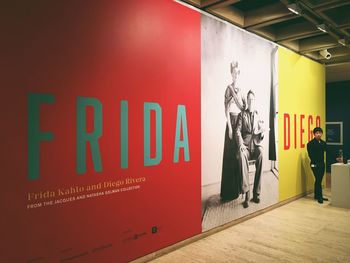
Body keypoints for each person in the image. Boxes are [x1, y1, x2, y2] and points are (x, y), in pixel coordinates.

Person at [220, 61, 246, 201]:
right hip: (231, 123)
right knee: (229, 157)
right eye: (234, 72)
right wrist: (230, 128)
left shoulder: (241, 90)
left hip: (239, 124)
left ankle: (238, 190)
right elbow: (226, 110)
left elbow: (244, 108)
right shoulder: (228, 89)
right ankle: (228, 192)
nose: (236, 74)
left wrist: (239, 127)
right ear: (231, 74)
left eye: (238, 72)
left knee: (238, 156)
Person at [236, 90, 265, 208]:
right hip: (246, 146)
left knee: (262, 153)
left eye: (252, 99)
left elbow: (260, 134)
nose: (251, 101)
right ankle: (247, 193)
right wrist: (241, 144)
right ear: (247, 101)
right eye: (249, 99)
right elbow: (237, 130)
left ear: (254, 100)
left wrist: (262, 132)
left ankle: (256, 193)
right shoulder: (242, 114)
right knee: (242, 155)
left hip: (256, 145)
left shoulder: (258, 114)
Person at [307, 127, 342, 204]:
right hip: (314, 164)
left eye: (320, 133)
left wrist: (336, 157)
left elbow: (329, 151)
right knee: (318, 179)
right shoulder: (310, 144)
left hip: (322, 164)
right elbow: (311, 155)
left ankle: (317, 195)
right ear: (314, 134)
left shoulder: (323, 143)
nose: (318, 134)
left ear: (322, 134)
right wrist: (316, 163)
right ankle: (319, 197)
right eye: (317, 133)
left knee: (318, 180)